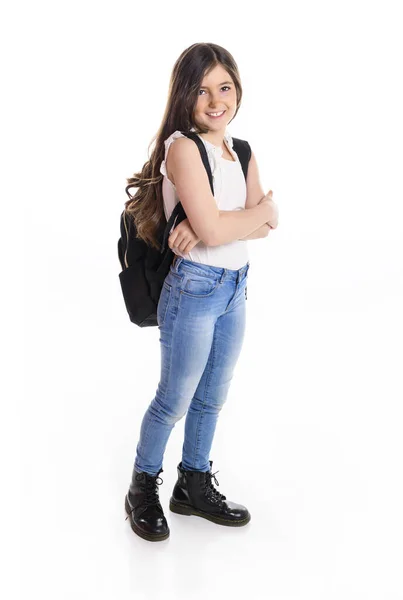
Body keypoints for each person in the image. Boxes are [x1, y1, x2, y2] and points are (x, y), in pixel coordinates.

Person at [123, 42, 279, 542]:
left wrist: (222, 223)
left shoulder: (243, 150)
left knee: (212, 397)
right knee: (174, 398)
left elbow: (265, 225)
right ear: (185, 96)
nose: (216, 100)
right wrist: (241, 219)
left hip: (235, 286)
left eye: (225, 87)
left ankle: (192, 484)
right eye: (203, 90)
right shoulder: (182, 147)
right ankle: (141, 488)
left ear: (237, 88)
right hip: (193, 289)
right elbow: (242, 222)